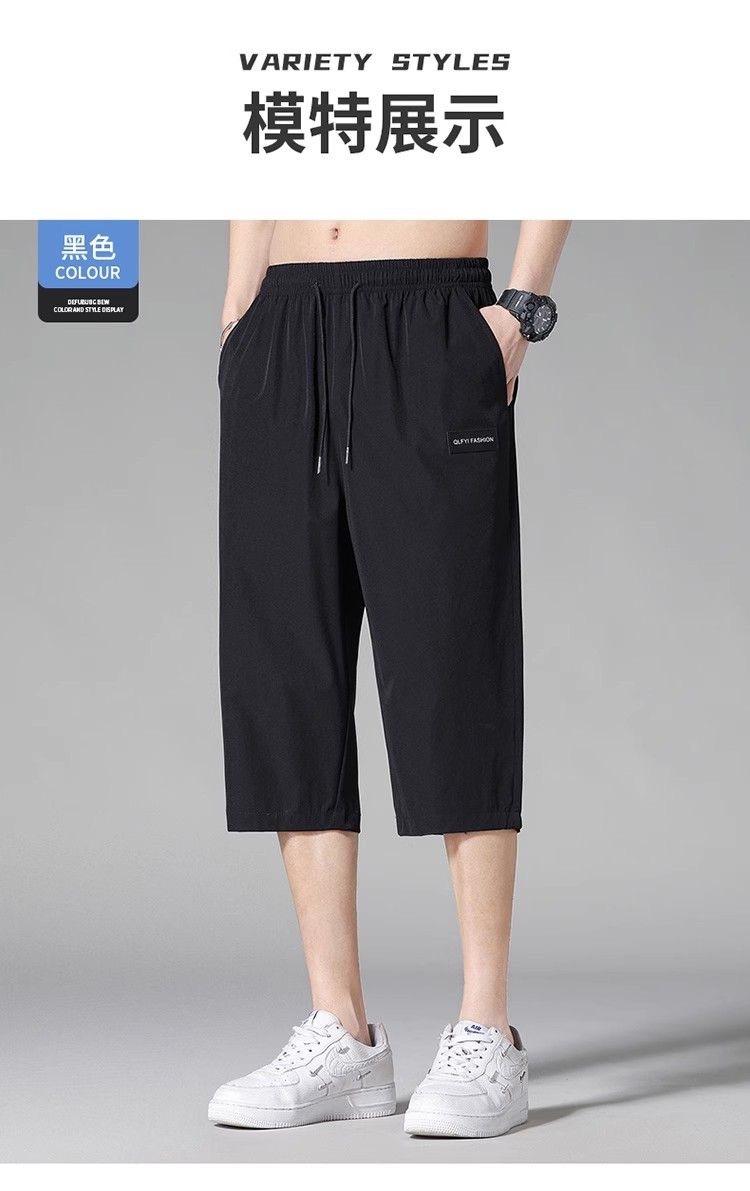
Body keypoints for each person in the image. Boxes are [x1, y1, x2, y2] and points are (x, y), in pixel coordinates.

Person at [208, 220, 570, 1138]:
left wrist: (522, 307)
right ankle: (342, 1031)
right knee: (285, 670)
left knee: (455, 667)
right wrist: (239, 313)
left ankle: (487, 1026)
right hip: (281, 326)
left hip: (429, 313)